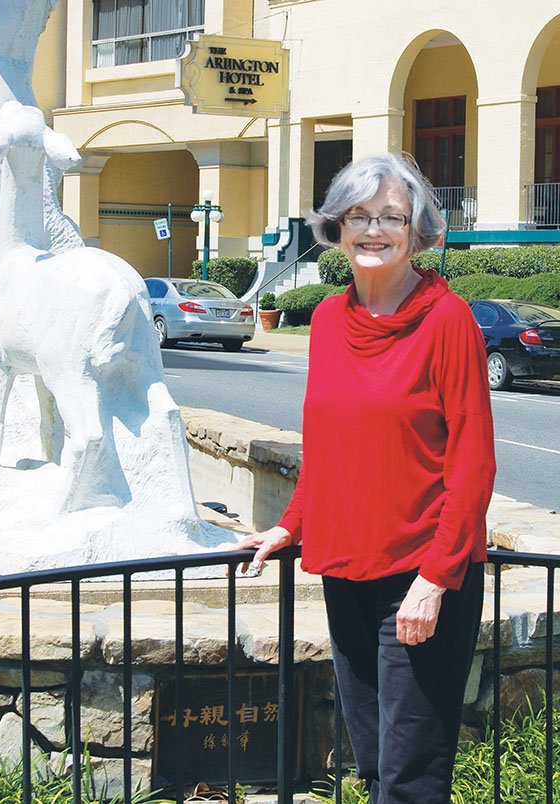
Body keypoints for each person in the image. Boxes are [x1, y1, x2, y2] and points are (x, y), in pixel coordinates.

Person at [234, 153, 496, 803]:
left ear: (417, 229)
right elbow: (325, 449)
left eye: (391, 217)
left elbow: (472, 462)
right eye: (358, 216)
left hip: (422, 576)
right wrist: (290, 526)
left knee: (411, 776)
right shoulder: (326, 322)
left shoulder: (447, 320)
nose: (373, 230)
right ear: (336, 228)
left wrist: (436, 578)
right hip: (347, 568)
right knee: (375, 763)